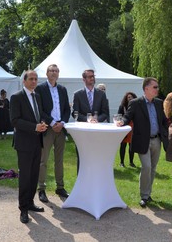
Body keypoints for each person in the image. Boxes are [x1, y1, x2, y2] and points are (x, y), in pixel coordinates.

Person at [117, 77, 169, 207]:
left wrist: (164, 132)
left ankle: (148, 194)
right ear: (146, 89)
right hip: (142, 140)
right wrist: (122, 122)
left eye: (157, 87)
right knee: (146, 166)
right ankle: (144, 196)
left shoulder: (158, 103)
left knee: (153, 168)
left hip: (157, 140)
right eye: (155, 87)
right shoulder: (136, 103)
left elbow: (163, 120)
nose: (157, 89)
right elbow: (127, 117)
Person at [10, 70, 48, 224]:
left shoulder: (37, 96)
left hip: (37, 142)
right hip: (24, 143)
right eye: (31, 79)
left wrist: (43, 123)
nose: (34, 81)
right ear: (24, 81)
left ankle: (30, 202)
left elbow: (39, 115)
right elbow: (15, 121)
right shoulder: (16, 97)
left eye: (36, 79)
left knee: (34, 175)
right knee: (25, 176)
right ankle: (23, 208)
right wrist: (34, 127)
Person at [35, 64, 71, 203]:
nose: (54, 73)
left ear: (58, 74)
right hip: (48, 129)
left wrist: (62, 123)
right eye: (51, 71)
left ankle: (60, 187)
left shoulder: (62, 89)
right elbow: (40, 109)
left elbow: (67, 110)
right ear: (47, 73)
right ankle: (41, 189)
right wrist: (52, 123)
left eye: (56, 71)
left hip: (61, 128)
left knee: (59, 160)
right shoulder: (40, 88)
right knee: (43, 160)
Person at [72, 69, 109, 173]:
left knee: (97, 158)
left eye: (93, 76)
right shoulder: (78, 94)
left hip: (98, 131)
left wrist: (96, 119)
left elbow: (105, 112)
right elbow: (75, 113)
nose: (92, 78)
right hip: (83, 132)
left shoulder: (101, 94)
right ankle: (81, 182)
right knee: (82, 157)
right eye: (89, 77)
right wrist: (87, 120)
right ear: (84, 79)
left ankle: (95, 181)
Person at [118, 92, 137, 168]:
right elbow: (119, 116)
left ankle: (131, 162)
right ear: (126, 98)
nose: (130, 98)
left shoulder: (137, 106)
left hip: (133, 128)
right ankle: (122, 162)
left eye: (131, 97)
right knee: (123, 145)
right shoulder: (122, 107)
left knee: (131, 146)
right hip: (124, 128)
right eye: (128, 97)